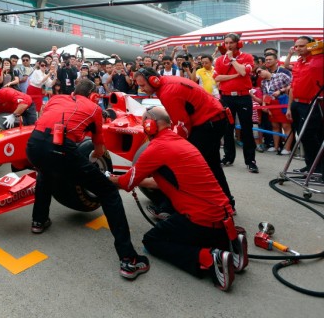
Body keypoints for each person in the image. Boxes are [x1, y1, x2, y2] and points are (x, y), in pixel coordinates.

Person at [109, 107, 247, 292]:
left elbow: (127, 182)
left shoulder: (157, 148)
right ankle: (231, 243)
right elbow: (164, 182)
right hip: (222, 217)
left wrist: (107, 179)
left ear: (150, 124)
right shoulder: (181, 143)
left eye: (144, 123)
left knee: (152, 240)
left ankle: (208, 258)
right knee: (179, 225)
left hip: (201, 220)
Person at [26, 78, 149, 279]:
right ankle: (129, 260)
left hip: (33, 145)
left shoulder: (57, 98)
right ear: (93, 96)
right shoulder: (94, 109)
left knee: (45, 172)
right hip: (61, 148)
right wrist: (92, 160)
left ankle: (38, 221)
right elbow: (99, 149)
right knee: (109, 192)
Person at [134, 68, 235, 208]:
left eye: (143, 85)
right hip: (215, 120)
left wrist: (173, 147)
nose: (141, 89)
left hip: (208, 124)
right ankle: (227, 203)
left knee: (183, 165)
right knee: (212, 165)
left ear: (154, 80)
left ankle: (170, 208)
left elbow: (183, 126)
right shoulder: (167, 84)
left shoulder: (168, 92)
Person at [214, 33, 258, 173]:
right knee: (227, 128)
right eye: (226, 43)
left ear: (238, 43)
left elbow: (244, 72)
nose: (228, 45)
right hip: (226, 97)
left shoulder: (247, 57)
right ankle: (228, 157)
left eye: (231, 43)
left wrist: (233, 59)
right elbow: (217, 77)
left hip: (243, 97)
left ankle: (250, 160)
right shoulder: (220, 60)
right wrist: (235, 75)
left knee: (247, 129)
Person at [285, 38, 323, 177]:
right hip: (296, 103)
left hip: (312, 104)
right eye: (296, 46)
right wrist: (289, 107)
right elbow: (293, 86)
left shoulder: (317, 62)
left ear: (311, 46)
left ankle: (317, 168)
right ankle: (310, 165)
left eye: (302, 46)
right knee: (303, 136)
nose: (298, 48)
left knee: (310, 135)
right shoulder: (299, 62)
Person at [256, 67, 293, 155]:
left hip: (283, 101)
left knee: (286, 125)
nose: (259, 74)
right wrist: (264, 105)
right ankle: (276, 147)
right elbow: (265, 94)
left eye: (260, 71)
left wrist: (280, 91)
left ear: (266, 69)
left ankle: (287, 148)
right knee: (274, 125)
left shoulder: (281, 75)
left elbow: (292, 85)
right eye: (257, 73)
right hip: (272, 104)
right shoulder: (263, 82)